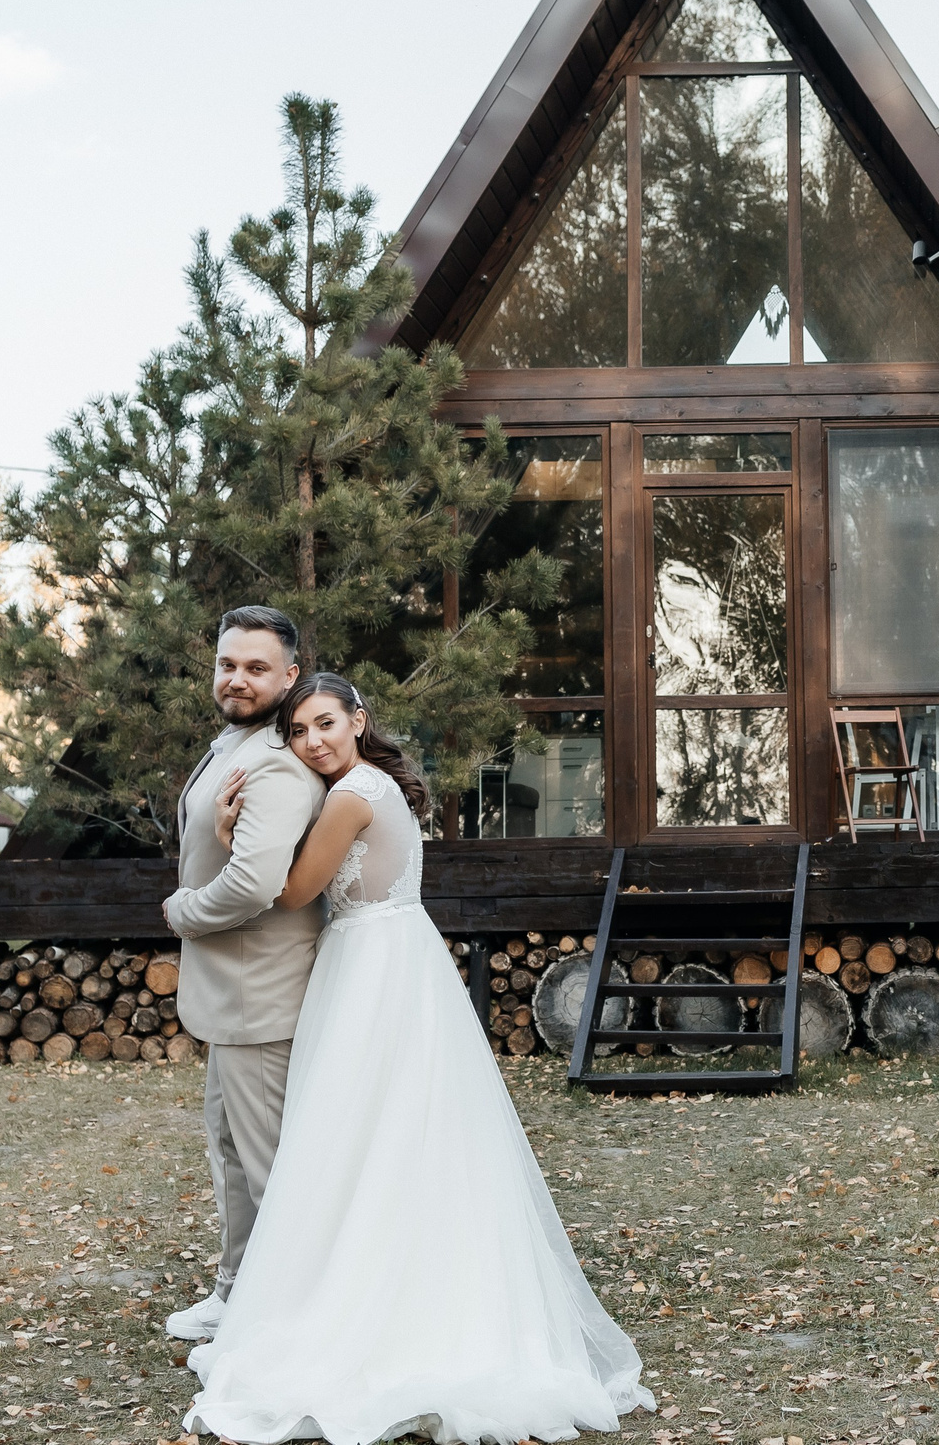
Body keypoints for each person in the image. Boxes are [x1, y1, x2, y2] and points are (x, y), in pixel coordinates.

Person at [182, 672, 651, 1444]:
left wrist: (235, 835)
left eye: (326, 723)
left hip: (371, 967)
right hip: (398, 954)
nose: (313, 740)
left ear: (358, 719)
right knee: (402, 1129)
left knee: (358, 1128)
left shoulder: (349, 796)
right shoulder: (378, 784)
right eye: (298, 731)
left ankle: (363, 1299)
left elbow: (292, 891)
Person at [161, 606, 327, 1344]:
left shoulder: (278, 762)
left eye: (256, 667)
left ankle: (291, 1324)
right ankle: (236, 1291)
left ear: (289, 677)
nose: (237, 678)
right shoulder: (236, 744)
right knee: (230, 1150)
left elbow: (257, 883)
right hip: (231, 995)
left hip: (260, 995)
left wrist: (183, 912)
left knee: (269, 1167)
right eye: (227, 663)